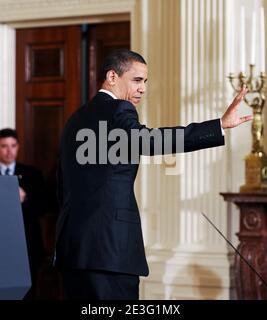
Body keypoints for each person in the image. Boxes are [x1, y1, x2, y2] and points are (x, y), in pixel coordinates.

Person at [54, 49, 251, 300]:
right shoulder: (118, 109)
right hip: (110, 251)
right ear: (112, 76)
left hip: (72, 249)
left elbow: (61, 184)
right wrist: (218, 126)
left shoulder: (74, 119)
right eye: (137, 80)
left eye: (145, 82)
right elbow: (149, 141)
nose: (143, 88)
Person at [0, 128, 47, 299]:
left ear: (18, 146)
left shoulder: (33, 175)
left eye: (13, 146)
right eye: (4, 146)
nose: (9, 151)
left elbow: (44, 206)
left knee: (29, 292)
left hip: (27, 244)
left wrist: (25, 198)